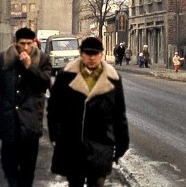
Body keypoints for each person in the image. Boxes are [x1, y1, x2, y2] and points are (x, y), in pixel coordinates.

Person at [48, 36, 129, 187]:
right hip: (73, 143)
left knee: (97, 182)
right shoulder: (66, 76)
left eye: (96, 53)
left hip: (101, 143)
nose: (92, 58)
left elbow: (119, 114)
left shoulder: (113, 78)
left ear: (102, 55)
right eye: (88, 53)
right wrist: (55, 135)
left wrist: (122, 144)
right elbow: (54, 108)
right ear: (81, 54)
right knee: (75, 182)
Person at [0, 27, 52, 187]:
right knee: (9, 169)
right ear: (15, 43)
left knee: (27, 173)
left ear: (34, 43)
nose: (26, 48)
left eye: (29, 44)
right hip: (9, 124)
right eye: (22, 44)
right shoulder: (3, 59)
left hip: (30, 125)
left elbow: (45, 84)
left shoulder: (42, 60)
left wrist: (30, 67)